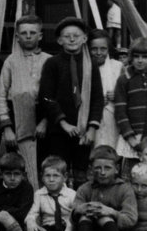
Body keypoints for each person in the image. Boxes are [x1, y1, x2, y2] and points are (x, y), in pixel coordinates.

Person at [39, 16, 103, 185]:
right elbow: (46, 97)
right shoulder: (52, 63)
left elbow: (97, 98)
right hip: (59, 130)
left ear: (85, 38)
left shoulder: (91, 65)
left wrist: (91, 128)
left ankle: (79, 207)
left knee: (81, 173)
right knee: (59, 171)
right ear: (60, 40)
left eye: (76, 35)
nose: (72, 39)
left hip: (83, 131)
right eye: (67, 36)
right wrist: (63, 123)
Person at [0, 14, 51, 174]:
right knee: (16, 166)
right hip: (16, 116)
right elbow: (1, 96)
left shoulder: (49, 60)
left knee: (42, 165)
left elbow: (54, 95)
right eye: (24, 33)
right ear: (17, 36)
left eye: (33, 33)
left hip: (42, 116)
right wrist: (7, 128)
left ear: (40, 35)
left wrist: (45, 121)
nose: (28, 36)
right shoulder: (11, 61)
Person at [71, 145, 136, 231]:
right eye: (97, 168)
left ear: (116, 169)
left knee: (103, 215)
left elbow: (131, 219)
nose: (102, 172)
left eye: (107, 168)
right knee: (86, 214)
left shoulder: (125, 188)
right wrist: (80, 210)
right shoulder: (85, 188)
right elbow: (73, 214)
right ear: (91, 169)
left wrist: (112, 212)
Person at [113, 38, 147, 174]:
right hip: (135, 136)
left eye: (144, 57)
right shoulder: (124, 79)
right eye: (136, 56)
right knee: (132, 173)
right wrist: (130, 137)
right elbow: (120, 111)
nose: (140, 60)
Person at [24, 155, 76, 231]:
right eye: (47, 176)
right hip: (48, 230)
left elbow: (74, 217)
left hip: (66, 229)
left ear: (64, 177)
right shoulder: (39, 194)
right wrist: (31, 222)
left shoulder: (72, 194)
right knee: (31, 230)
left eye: (56, 176)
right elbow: (32, 213)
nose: (51, 179)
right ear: (42, 177)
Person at [87, 29, 125, 150]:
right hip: (90, 118)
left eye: (103, 49)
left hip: (112, 119)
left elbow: (128, 94)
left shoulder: (118, 67)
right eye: (94, 49)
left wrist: (118, 95)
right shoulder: (84, 67)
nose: (99, 53)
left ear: (108, 49)